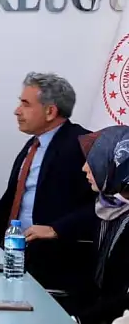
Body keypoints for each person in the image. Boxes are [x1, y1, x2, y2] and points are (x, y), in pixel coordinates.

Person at [0, 72, 97, 290]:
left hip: (53, 266)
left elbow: (109, 206)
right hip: (12, 257)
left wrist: (57, 229)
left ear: (50, 111)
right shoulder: (32, 147)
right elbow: (10, 206)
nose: (17, 111)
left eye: (25, 104)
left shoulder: (83, 145)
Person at [72, 126, 129, 324]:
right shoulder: (108, 208)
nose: (84, 168)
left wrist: (78, 319)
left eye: (95, 158)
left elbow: (122, 296)